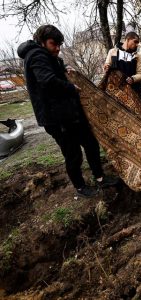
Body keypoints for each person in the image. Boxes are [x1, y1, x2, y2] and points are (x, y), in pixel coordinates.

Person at [17, 25, 118, 198]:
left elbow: (54, 72)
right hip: (57, 118)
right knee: (73, 154)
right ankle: (80, 187)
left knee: (91, 143)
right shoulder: (36, 55)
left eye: (59, 44)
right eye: (53, 44)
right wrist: (71, 87)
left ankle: (100, 178)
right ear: (42, 42)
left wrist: (64, 70)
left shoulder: (46, 55)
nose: (57, 48)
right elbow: (48, 81)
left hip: (69, 114)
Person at [103, 32, 141, 101]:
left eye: (138, 43)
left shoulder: (137, 56)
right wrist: (106, 67)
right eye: (135, 41)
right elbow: (106, 66)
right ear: (128, 39)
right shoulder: (112, 52)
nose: (137, 44)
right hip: (117, 91)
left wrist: (133, 78)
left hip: (134, 90)